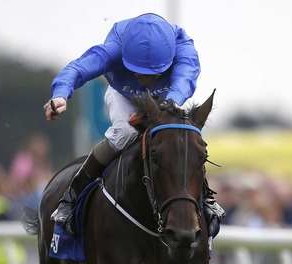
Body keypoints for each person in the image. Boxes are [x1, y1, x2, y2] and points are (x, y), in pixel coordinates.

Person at [44, 13, 224, 237]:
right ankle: (71, 198)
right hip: (123, 96)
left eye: (153, 73)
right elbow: (78, 68)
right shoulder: (115, 49)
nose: (146, 80)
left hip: (167, 99)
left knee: (177, 138)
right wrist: (61, 94)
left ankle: (205, 198)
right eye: (138, 72)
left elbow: (184, 79)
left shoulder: (183, 49)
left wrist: (168, 105)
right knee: (125, 133)